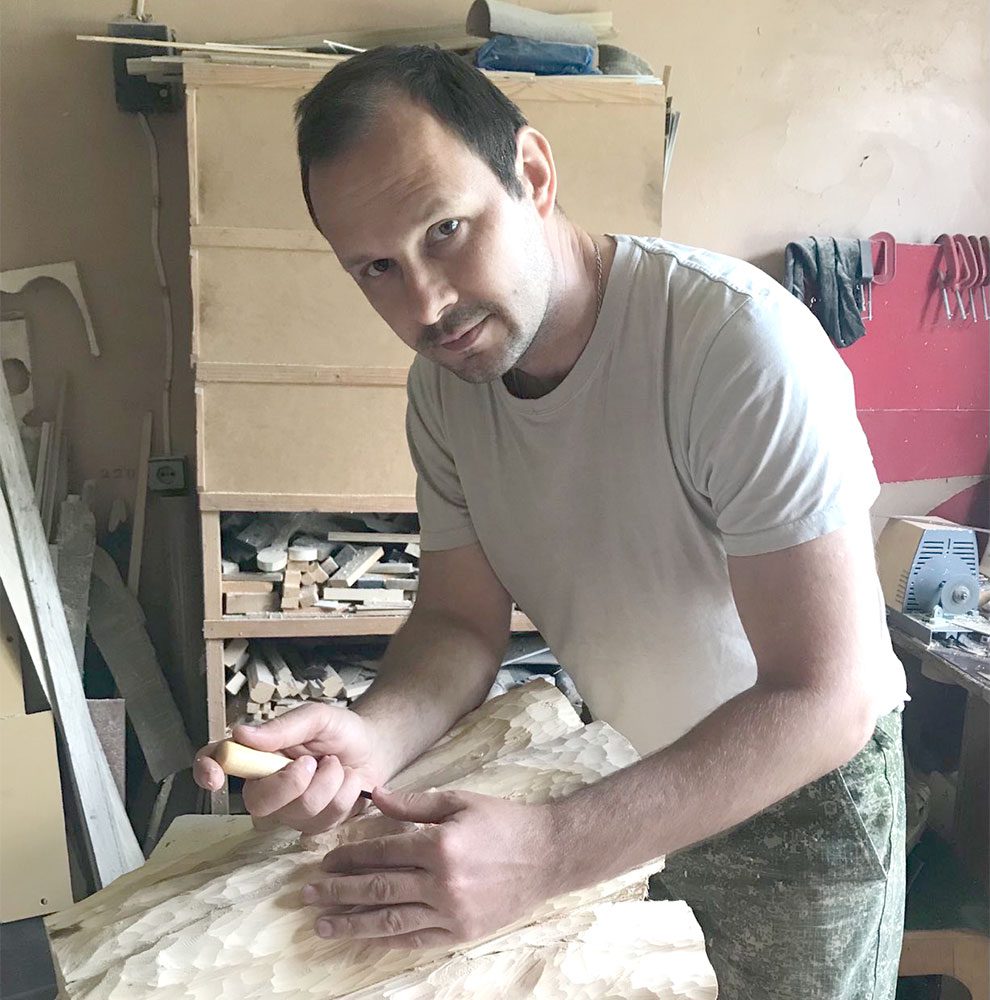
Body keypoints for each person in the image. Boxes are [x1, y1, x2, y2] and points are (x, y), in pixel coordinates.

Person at [195, 45, 907, 998]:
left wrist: (549, 851)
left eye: (445, 230)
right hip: (624, 776)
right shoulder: (445, 390)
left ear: (531, 174)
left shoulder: (735, 345)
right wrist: (372, 736)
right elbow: (459, 622)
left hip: (799, 802)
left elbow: (827, 695)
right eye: (377, 268)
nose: (427, 304)